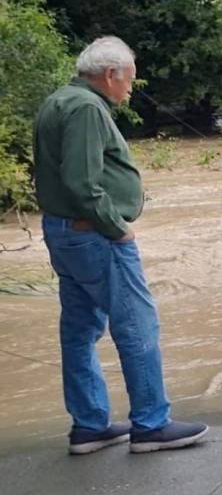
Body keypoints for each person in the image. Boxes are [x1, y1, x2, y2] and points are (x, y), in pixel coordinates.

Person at [33, 36, 209, 454]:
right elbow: (82, 182)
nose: (131, 88)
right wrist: (117, 228)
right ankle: (150, 423)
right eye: (129, 79)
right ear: (110, 75)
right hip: (93, 235)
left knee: (79, 329)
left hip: (63, 233)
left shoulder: (58, 100)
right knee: (136, 325)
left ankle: (89, 425)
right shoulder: (88, 108)